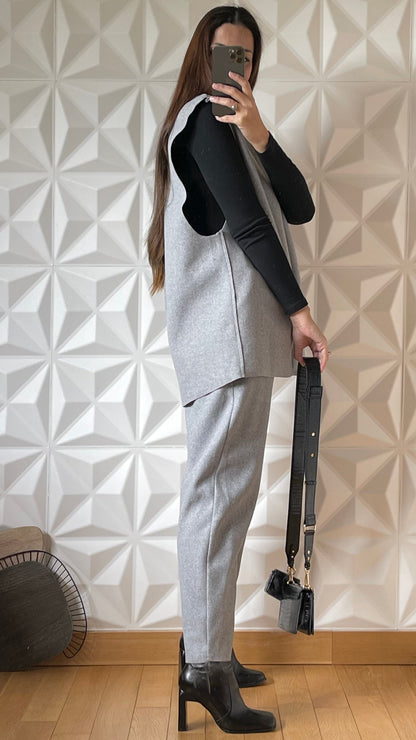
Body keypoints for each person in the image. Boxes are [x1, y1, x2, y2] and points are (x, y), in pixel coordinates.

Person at [147, 5, 328, 734]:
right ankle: (206, 668)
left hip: (235, 341)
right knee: (217, 502)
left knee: (225, 499)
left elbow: (298, 205)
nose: (237, 68)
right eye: (226, 54)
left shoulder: (232, 134)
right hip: (228, 341)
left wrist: (260, 132)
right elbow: (251, 228)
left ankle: (209, 649)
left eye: (247, 58)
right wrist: (300, 311)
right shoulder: (200, 123)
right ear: (203, 57)